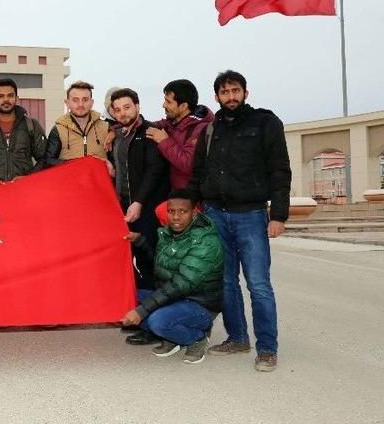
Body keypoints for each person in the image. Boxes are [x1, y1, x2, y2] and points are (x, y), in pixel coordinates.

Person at [190, 70, 291, 372]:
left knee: (258, 284)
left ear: (245, 93)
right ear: (217, 97)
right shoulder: (210, 130)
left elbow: (279, 170)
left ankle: (267, 348)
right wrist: (194, 207)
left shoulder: (265, 122)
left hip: (251, 215)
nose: (230, 96)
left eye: (236, 90)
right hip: (215, 215)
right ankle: (237, 338)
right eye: (224, 92)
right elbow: (198, 173)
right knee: (225, 281)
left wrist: (279, 215)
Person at [121, 189, 224, 364]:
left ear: (194, 213)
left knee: (157, 321)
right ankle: (173, 336)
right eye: (171, 211)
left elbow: (180, 283)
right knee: (126, 296)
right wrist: (141, 242)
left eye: (182, 212)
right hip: (175, 298)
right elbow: (164, 264)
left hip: (200, 304)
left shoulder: (206, 242)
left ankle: (197, 337)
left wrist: (141, 311)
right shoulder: (169, 233)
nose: (176, 217)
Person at [108, 88, 170, 336]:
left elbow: (154, 172)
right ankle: (138, 314)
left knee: (148, 262)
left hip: (146, 210)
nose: (123, 113)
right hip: (123, 209)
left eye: (127, 107)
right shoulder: (117, 134)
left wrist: (140, 203)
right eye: (118, 109)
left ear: (137, 107)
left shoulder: (150, 132)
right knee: (127, 263)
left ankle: (152, 323)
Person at [145, 79, 214, 190]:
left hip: (191, 200)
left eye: (168, 102)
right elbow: (144, 126)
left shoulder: (200, 128)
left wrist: (164, 141)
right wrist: (115, 129)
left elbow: (189, 165)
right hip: (173, 196)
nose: (164, 105)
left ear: (183, 106)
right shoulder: (171, 122)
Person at [44, 80, 111, 168]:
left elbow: (117, 159)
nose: (80, 104)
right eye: (75, 100)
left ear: (92, 102)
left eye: (85, 100)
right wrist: (78, 164)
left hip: (99, 180)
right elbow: (48, 160)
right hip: (70, 180)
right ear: (67, 103)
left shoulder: (106, 126)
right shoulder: (58, 129)